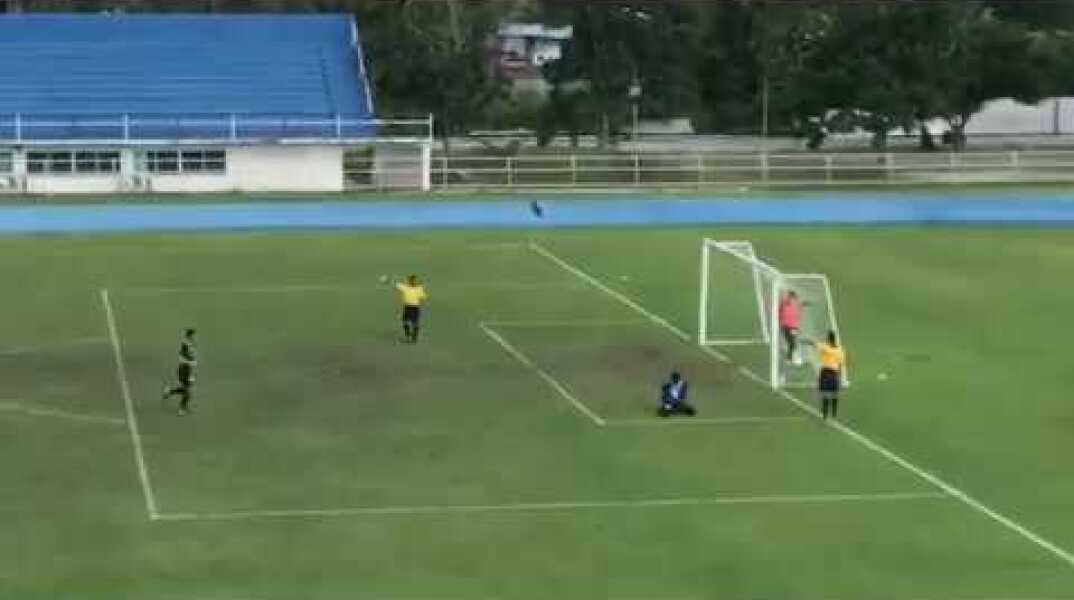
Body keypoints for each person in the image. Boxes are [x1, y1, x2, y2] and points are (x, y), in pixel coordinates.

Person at [809, 330, 846, 420]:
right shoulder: (840, 350)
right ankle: (834, 412)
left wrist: (804, 340)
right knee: (834, 393)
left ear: (829, 339)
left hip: (825, 372)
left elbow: (813, 343)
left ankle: (825, 414)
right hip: (834, 373)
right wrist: (840, 377)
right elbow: (841, 364)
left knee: (824, 393)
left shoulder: (825, 347)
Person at [162, 328, 197, 416]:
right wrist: (191, 361)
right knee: (187, 391)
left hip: (187, 369)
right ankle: (182, 409)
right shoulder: (186, 344)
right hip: (183, 369)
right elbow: (183, 355)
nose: (194, 337)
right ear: (190, 335)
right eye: (193, 335)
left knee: (186, 389)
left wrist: (192, 364)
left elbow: (190, 356)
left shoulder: (190, 343)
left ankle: (169, 391)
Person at [394, 275, 428, 343]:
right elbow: (424, 297)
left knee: (411, 322)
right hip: (411, 307)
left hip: (412, 307)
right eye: (412, 281)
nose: (413, 282)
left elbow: (424, 297)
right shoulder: (414, 288)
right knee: (407, 322)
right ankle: (411, 337)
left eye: (414, 281)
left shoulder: (407, 288)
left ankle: (412, 337)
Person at [778, 290, 802, 365]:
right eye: (791, 297)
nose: (792, 299)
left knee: (792, 343)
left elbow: (798, 314)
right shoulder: (784, 302)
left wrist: (797, 326)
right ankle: (791, 358)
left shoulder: (795, 304)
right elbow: (780, 311)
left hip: (793, 327)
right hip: (786, 326)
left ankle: (790, 358)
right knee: (792, 343)